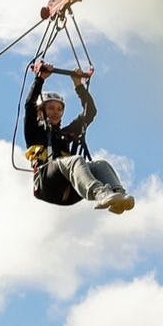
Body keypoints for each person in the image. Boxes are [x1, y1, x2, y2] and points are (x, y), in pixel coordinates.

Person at [23, 64, 135, 214]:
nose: (56, 112)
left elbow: (90, 112)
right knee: (76, 160)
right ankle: (100, 193)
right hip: (47, 184)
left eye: (59, 109)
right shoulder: (34, 131)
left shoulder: (66, 134)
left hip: (71, 190)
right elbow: (29, 105)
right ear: (40, 112)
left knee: (100, 165)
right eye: (51, 108)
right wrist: (40, 79)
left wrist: (78, 85)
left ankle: (118, 196)